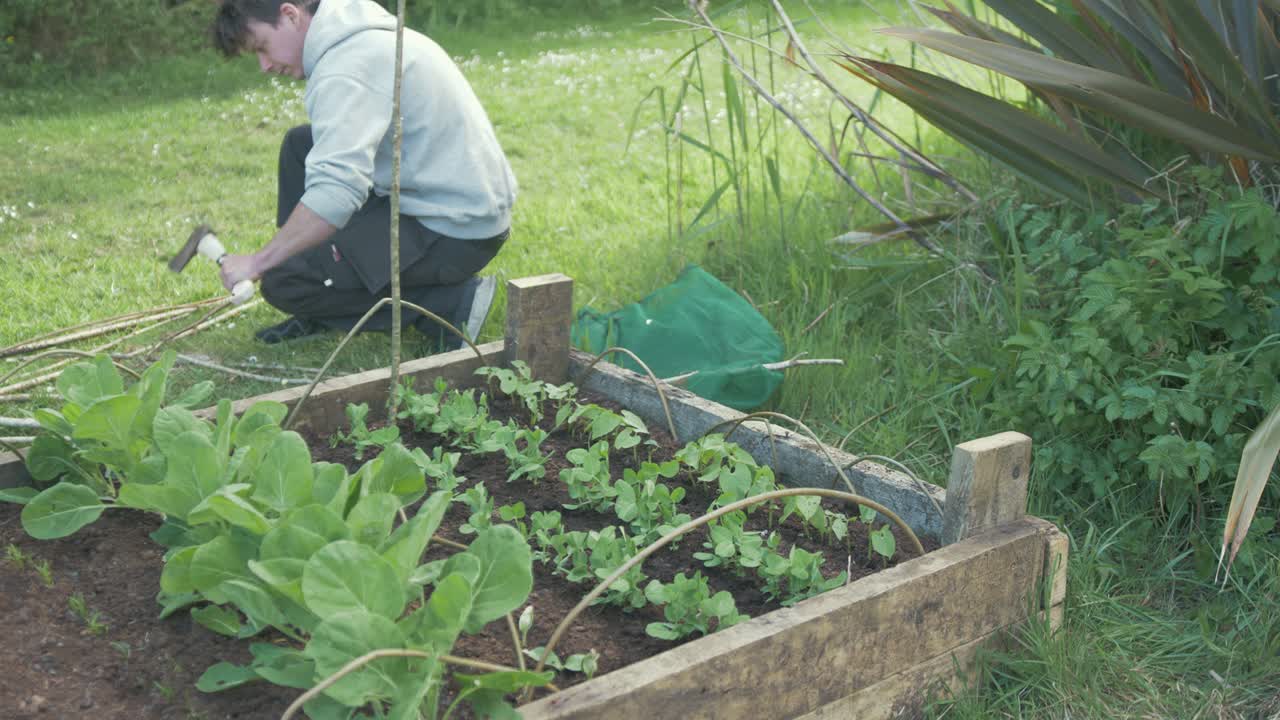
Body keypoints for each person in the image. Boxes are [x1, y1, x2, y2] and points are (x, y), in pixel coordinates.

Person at [210, 0, 515, 346]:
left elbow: (337, 192)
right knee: (301, 145)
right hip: (459, 203)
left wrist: (258, 262)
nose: (264, 66)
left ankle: (449, 304)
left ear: (290, 15)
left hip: (454, 232)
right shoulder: (358, 31)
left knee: (283, 281)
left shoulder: (347, 66)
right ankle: (323, 279)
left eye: (262, 47)